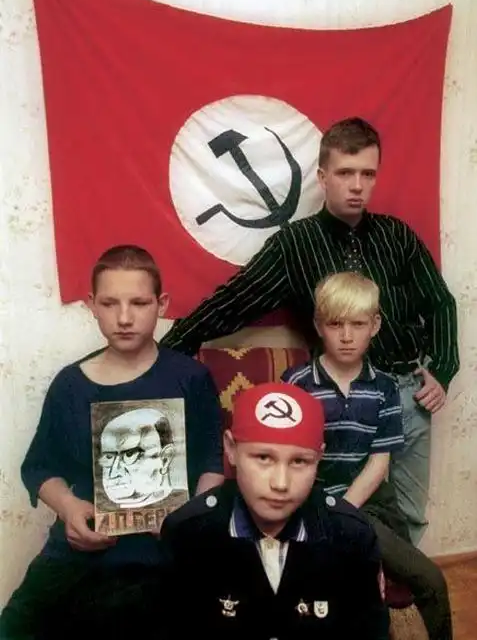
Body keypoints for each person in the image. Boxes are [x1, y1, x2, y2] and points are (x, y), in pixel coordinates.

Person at [160, 116, 459, 544]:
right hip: (339, 401)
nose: (356, 185)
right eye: (345, 173)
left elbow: (440, 302)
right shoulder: (295, 245)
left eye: (367, 174)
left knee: (408, 517)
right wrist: (168, 350)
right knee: (329, 513)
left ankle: (400, 585)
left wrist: (443, 369)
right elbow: (233, 301)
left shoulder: (398, 236)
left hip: (409, 395)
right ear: (322, 177)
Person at [0, 245, 224, 639]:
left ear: (161, 304)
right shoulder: (70, 384)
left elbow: (212, 460)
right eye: (109, 303)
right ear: (91, 305)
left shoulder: (190, 378)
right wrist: (68, 507)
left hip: (165, 549)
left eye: (139, 302)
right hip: (82, 548)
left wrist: (189, 520)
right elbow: (39, 466)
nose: (124, 317)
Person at [282, 271, 452, 640]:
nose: (346, 336)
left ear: (374, 325)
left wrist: (341, 513)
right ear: (318, 325)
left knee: (431, 581)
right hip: (308, 505)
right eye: (335, 324)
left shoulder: (384, 387)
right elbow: (287, 460)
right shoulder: (296, 383)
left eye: (357, 324)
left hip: (366, 506)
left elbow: (379, 464)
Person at [161, 381, 390, 640]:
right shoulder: (188, 534)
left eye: (299, 461)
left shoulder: (351, 536)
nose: (280, 483)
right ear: (231, 449)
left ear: (319, 458)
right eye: (263, 458)